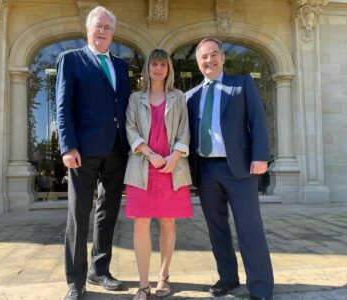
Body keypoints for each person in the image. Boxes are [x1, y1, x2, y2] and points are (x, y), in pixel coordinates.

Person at [186, 37, 274, 300]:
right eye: (203, 56)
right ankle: (228, 278)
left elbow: (258, 122)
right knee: (217, 229)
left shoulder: (242, 84)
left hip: (240, 170)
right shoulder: (191, 96)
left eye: (214, 54)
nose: (209, 60)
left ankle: (260, 288)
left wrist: (261, 157)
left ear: (223, 58)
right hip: (205, 170)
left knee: (250, 228)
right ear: (198, 62)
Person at [55, 6, 130, 300]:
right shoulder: (71, 60)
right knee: (78, 213)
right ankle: (75, 281)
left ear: (113, 33)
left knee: (108, 212)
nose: (102, 31)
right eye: (97, 26)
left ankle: (100, 270)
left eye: (107, 27)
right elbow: (63, 106)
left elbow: (122, 107)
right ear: (88, 29)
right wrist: (67, 146)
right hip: (82, 151)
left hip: (116, 149)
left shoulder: (122, 66)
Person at [124, 49, 193, 300]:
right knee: (140, 223)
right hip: (142, 167)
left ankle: (164, 276)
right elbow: (130, 129)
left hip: (171, 169)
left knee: (168, 221)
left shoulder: (179, 97)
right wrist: (149, 154)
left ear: (169, 69)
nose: (158, 68)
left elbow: (185, 130)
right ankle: (143, 284)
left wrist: (174, 158)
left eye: (163, 64)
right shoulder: (135, 99)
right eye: (154, 63)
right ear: (148, 68)